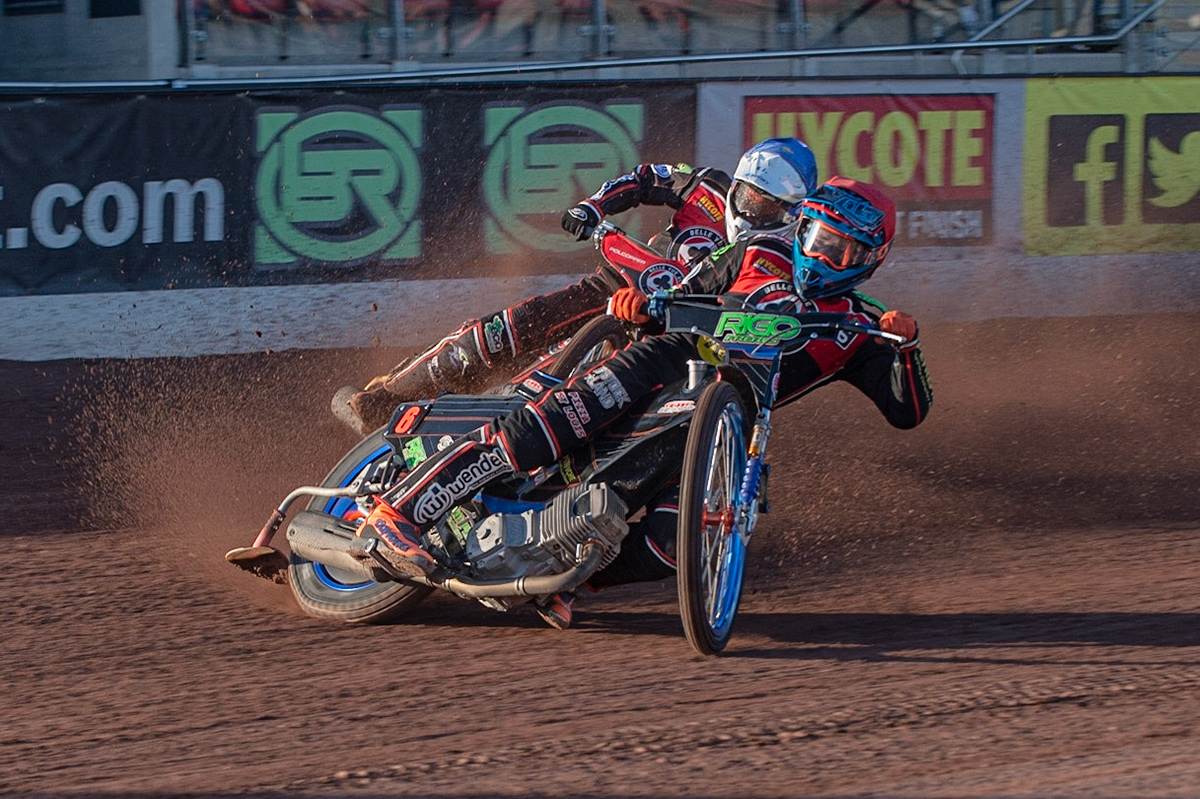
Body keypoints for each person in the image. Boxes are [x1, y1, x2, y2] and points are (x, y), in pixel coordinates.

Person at [348, 176, 934, 629]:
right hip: (662, 362)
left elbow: (908, 412)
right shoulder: (759, 255)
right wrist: (641, 301)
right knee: (552, 426)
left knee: (678, 541)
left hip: (723, 429)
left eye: (840, 249)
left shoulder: (861, 327)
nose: (821, 254)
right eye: (815, 237)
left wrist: (906, 348)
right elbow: (681, 285)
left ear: (868, 260)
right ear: (801, 226)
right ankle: (401, 510)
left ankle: (567, 578)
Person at [333, 137, 819, 435]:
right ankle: (386, 397)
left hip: (680, 333)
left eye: (769, 206)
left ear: (792, 213)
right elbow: (648, 177)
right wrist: (595, 206)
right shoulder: (706, 185)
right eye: (748, 195)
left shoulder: (787, 254)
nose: (752, 210)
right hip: (622, 281)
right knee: (505, 331)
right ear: (735, 185)